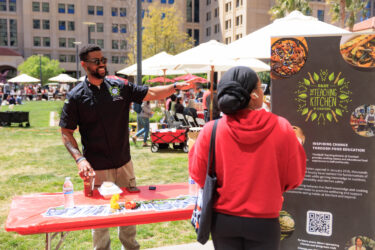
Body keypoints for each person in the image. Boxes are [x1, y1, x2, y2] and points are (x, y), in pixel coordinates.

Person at [59, 44, 190, 250]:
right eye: (96, 61)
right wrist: (80, 159)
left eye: (103, 60)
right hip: (97, 169)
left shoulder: (118, 85)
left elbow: (152, 92)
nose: (102, 64)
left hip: (124, 164)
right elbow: (66, 132)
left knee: (130, 213)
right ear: (84, 65)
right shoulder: (76, 96)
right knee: (101, 219)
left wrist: (175, 87)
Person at [188, 66, 306, 250]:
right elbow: (295, 178)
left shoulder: (210, 130)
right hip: (264, 222)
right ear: (253, 95)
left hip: (223, 221)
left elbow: (197, 174)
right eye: (261, 87)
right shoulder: (282, 128)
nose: (262, 91)